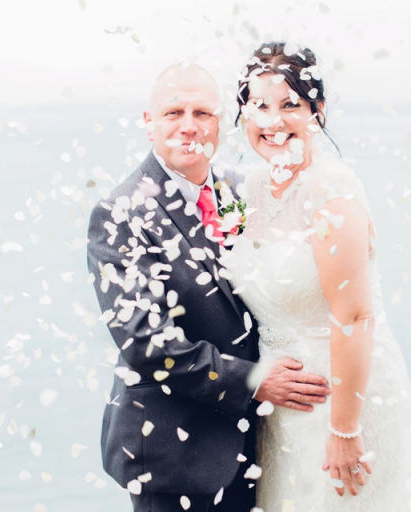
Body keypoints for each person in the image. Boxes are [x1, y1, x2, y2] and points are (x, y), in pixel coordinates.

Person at [86, 63, 331, 512]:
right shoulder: (119, 213)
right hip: (174, 454)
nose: (188, 126)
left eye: (202, 113)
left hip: (261, 447)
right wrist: (256, 380)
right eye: (173, 112)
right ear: (148, 123)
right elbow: (144, 340)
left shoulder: (237, 191)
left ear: (221, 123)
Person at [223, 43, 411, 510]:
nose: (272, 122)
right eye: (258, 105)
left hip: (344, 399)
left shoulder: (331, 190)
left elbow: (357, 317)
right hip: (281, 407)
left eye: (289, 106)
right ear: (242, 114)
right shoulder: (246, 189)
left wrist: (345, 430)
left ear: (316, 112)